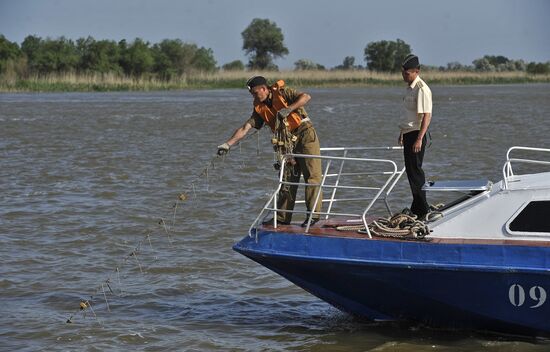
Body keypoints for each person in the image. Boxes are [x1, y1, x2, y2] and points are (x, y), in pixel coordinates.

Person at [217, 76, 322, 227]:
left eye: (255, 93)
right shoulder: (259, 108)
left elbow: (306, 96)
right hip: (286, 143)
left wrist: (289, 109)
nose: (254, 96)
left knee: (312, 176)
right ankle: (282, 218)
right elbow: (245, 128)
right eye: (252, 94)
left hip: (305, 134)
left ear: (264, 89)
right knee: (287, 180)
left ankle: (313, 215)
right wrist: (228, 144)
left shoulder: (284, 93)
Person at [398, 54, 432, 220]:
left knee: (416, 172)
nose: (404, 75)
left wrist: (419, 138)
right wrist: (402, 133)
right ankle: (417, 207)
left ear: (416, 71)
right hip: (408, 133)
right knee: (411, 172)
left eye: (408, 73)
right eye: (403, 72)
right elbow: (409, 115)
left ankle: (423, 209)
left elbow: (427, 115)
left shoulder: (422, 89)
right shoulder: (410, 88)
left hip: (417, 134)